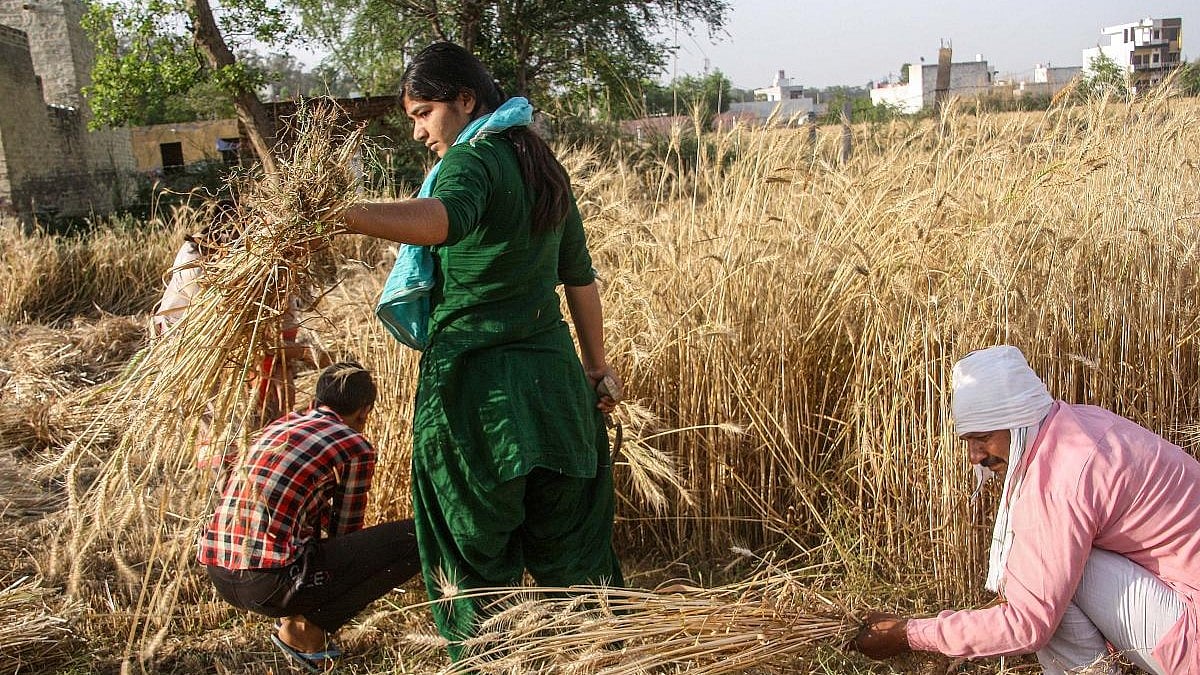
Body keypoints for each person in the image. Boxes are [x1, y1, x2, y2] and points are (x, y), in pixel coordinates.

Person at [338, 42, 624, 658]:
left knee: (468, 548)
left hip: (476, 393)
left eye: (423, 113)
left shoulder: (472, 162)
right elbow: (580, 279)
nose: (419, 132)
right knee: (572, 551)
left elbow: (446, 219)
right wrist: (598, 373)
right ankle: (596, 657)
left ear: (466, 100)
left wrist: (345, 214)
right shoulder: (542, 163)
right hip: (557, 395)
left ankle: (490, 660)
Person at [853, 345, 1200, 675]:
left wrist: (908, 635)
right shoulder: (1076, 427)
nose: (974, 457)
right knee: (1048, 575)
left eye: (982, 438)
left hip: (1193, 633)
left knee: (1051, 588)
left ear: (1017, 424)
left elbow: (1028, 625)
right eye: (968, 442)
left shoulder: (1061, 480)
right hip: (1182, 599)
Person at [197, 362, 420, 672]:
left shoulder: (281, 426)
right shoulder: (355, 445)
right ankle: (305, 632)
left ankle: (297, 622)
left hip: (220, 573)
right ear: (364, 411)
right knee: (417, 539)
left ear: (317, 401)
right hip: (270, 584)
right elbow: (346, 532)